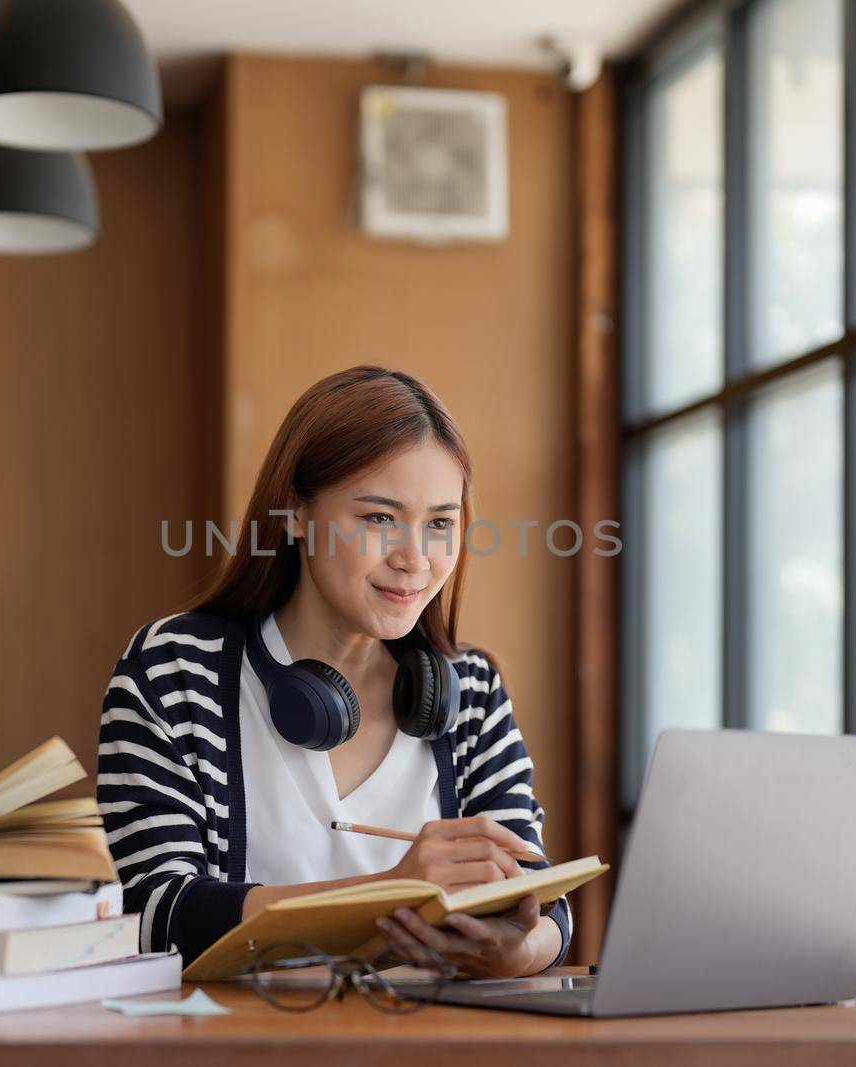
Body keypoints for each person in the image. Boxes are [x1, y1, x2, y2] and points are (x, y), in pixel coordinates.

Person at [97, 365, 570, 977]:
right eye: (379, 518)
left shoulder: (471, 688)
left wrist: (517, 951)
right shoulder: (174, 669)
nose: (415, 560)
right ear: (294, 513)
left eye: (440, 524)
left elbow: (542, 896)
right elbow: (151, 913)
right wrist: (387, 898)